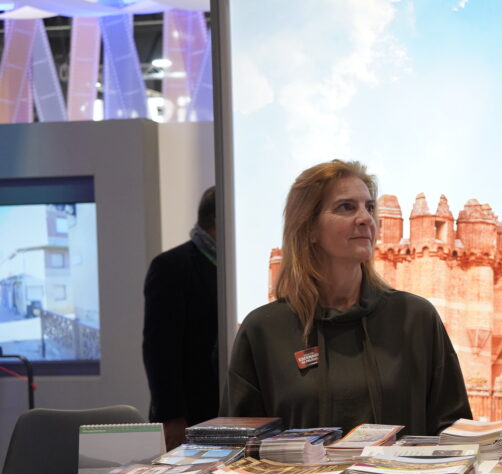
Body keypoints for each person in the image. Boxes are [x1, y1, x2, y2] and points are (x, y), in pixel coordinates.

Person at [222, 160, 471, 434]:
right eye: (346, 207)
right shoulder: (264, 330)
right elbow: (236, 443)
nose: (366, 218)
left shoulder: (415, 318)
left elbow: (455, 432)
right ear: (309, 228)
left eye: (369, 207)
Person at [143, 186, 219, 450]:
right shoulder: (171, 266)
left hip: (224, 412)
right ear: (217, 219)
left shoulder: (231, 267)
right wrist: (171, 416)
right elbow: (159, 349)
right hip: (189, 416)